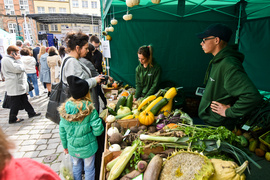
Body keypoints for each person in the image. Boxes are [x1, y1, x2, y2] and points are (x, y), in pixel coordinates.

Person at [196, 23, 263, 130]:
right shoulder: (218, 60)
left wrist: (229, 112)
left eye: (204, 40)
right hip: (211, 122)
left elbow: (252, 96)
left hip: (219, 126)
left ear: (216, 40)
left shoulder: (229, 65)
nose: (201, 43)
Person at [58, 75, 104, 180]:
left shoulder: (64, 110)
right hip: (89, 148)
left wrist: (65, 146)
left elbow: (62, 131)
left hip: (73, 148)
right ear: (86, 93)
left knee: (76, 166)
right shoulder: (89, 109)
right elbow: (98, 131)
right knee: (89, 168)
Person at [1, 45, 41, 124]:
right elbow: (19, 69)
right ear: (12, 53)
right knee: (15, 102)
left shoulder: (10, 59)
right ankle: (12, 118)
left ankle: (31, 113)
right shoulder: (7, 60)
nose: (18, 54)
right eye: (17, 52)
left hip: (18, 84)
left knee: (24, 100)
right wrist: (19, 60)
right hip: (14, 84)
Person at [90, 36, 107, 109]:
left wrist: (101, 75)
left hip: (97, 75)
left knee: (98, 92)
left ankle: (104, 105)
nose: (96, 48)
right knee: (97, 93)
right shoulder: (87, 54)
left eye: (97, 47)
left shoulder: (99, 54)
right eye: (94, 46)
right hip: (91, 77)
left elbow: (98, 65)